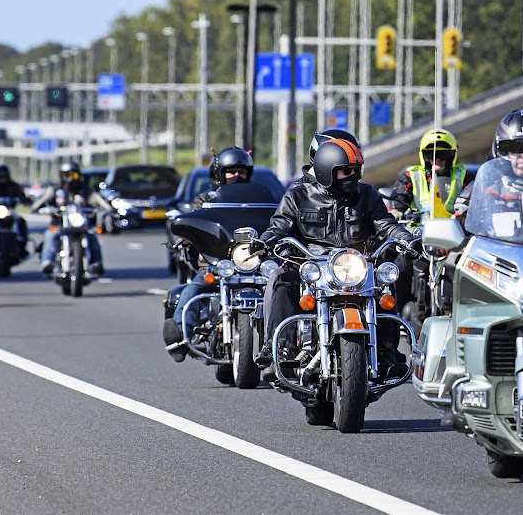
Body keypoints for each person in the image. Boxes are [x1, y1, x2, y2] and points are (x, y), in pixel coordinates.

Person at [254, 137, 420, 382]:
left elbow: (386, 224)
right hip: (312, 267)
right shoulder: (298, 196)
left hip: (354, 266)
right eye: (345, 171)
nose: (352, 176)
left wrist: (407, 239)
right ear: (325, 171)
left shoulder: (366, 195)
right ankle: (279, 348)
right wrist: (266, 241)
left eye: (356, 170)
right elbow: (279, 226)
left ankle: (386, 351)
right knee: (280, 279)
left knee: (384, 278)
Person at [162, 147, 255, 362]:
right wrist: (186, 235)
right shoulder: (206, 200)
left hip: (251, 264)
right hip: (216, 263)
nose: (236, 176)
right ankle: (179, 335)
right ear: (221, 173)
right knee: (194, 289)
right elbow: (196, 222)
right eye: (231, 171)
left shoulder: (258, 201)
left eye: (241, 171)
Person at [389, 128, 474, 315]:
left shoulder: (465, 177)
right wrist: (396, 212)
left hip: (453, 239)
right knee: (400, 265)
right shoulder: (412, 176)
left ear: (452, 155)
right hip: (418, 237)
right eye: (431, 153)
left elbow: (476, 200)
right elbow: (399, 199)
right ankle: (394, 314)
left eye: (443, 153)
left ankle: (467, 311)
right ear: (423, 155)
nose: (437, 157)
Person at [29, 160, 112, 276]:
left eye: (74, 175)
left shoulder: (85, 189)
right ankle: (47, 262)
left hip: (81, 225)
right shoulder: (56, 189)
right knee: (51, 235)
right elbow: (43, 200)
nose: (71, 179)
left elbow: (97, 199)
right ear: (62, 176)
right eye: (67, 175)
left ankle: (96, 263)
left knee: (92, 236)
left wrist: (107, 208)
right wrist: (35, 208)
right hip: (59, 224)